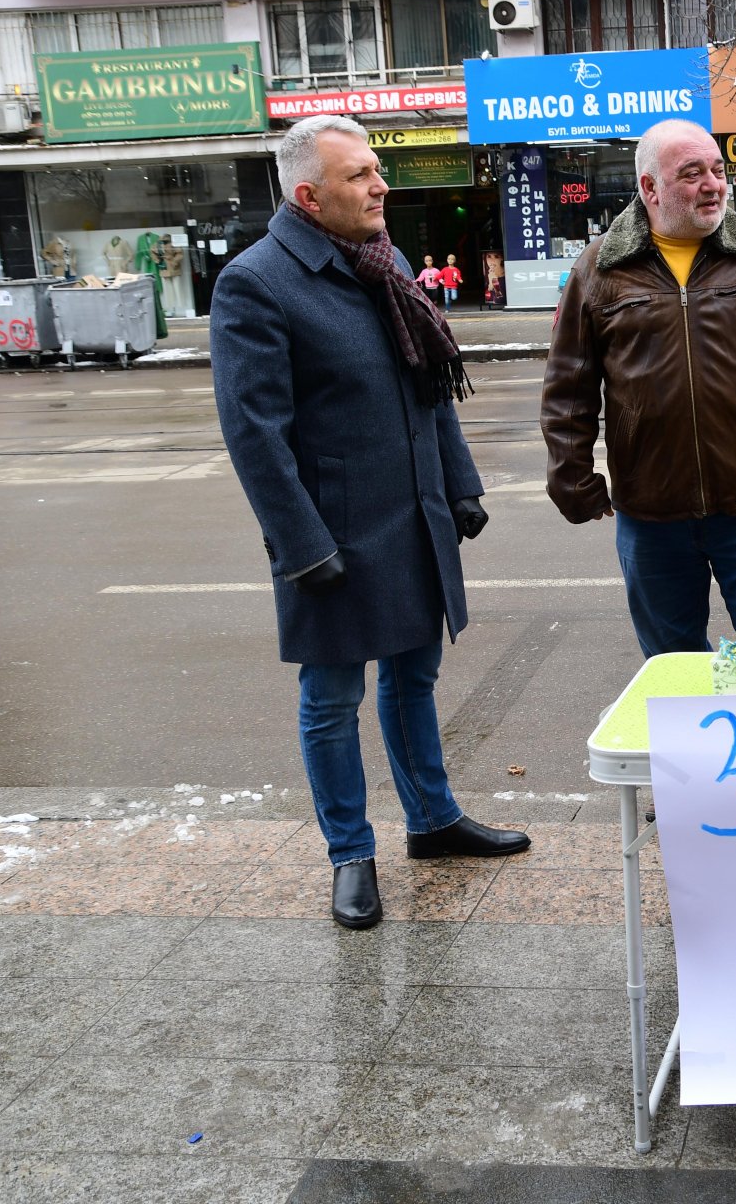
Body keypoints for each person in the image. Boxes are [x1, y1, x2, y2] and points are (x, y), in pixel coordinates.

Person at [212, 115, 529, 931]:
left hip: (415, 515)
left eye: (377, 170)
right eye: (360, 176)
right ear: (310, 197)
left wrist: (459, 483)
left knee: (415, 679)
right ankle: (350, 855)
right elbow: (255, 433)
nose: (380, 186)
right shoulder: (258, 282)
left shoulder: (383, 267)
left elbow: (431, 383)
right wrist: (301, 545)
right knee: (331, 698)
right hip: (337, 534)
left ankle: (432, 821)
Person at [541, 118, 736, 658]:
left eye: (718, 170)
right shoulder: (600, 268)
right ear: (649, 187)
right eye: (692, 173)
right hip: (650, 515)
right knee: (672, 669)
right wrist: (572, 480)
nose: (713, 185)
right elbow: (569, 389)